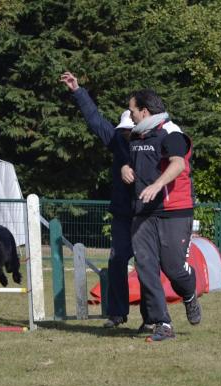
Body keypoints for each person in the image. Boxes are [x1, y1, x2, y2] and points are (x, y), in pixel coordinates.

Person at [60, 72, 153, 332]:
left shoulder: (152, 142)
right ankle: (117, 313)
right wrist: (77, 91)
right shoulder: (116, 142)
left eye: (129, 132)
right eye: (122, 132)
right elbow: (94, 120)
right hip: (123, 215)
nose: (126, 136)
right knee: (116, 261)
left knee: (147, 265)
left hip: (146, 214)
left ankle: (151, 318)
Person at [121, 89, 202, 341]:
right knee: (145, 266)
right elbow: (133, 163)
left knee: (174, 268)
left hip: (174, 211)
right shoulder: (135, 137)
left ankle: (189, 295)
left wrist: (157, 185)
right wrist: (125, 168)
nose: (130, 116)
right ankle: (162, 324)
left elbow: (178, 164)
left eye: (132, 110)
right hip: (143, 212)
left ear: (144, 111)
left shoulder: (171, 133)